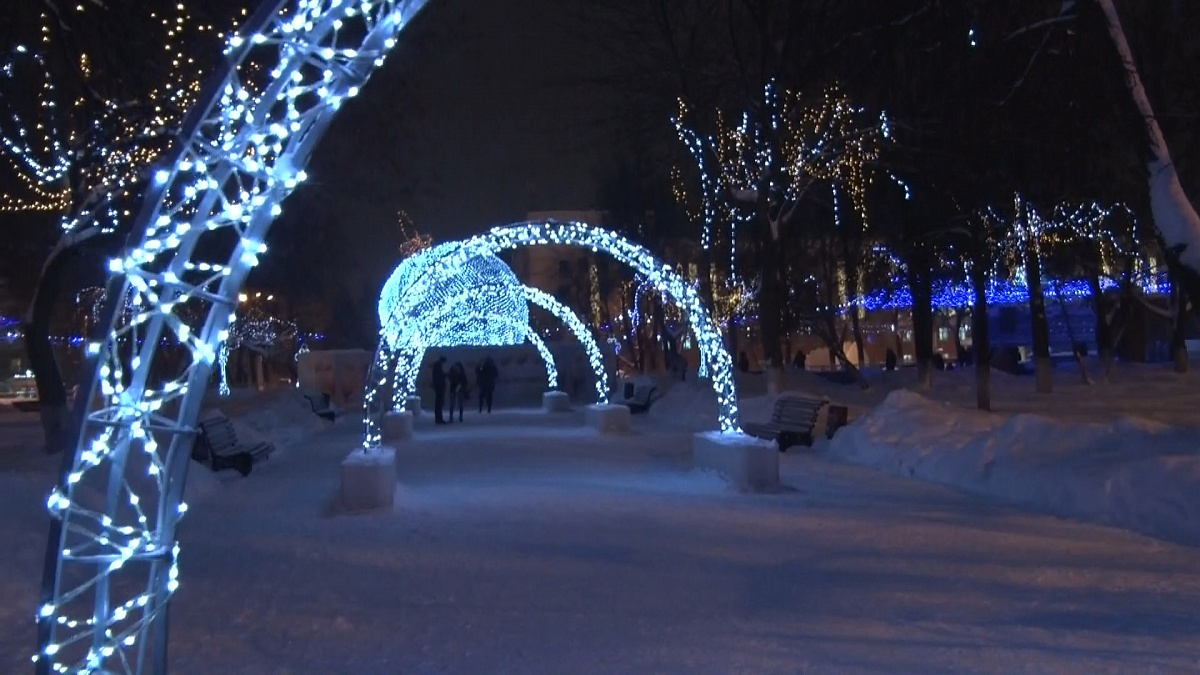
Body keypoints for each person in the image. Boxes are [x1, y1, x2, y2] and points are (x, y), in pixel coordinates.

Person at [431, 355, 448, 424]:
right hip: (439, 387)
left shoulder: (436, 366)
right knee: (439, 403)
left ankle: (438, 418)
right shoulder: (438, 367)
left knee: (438, 403)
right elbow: (439, 377)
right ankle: (439, 419)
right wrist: (445, 375)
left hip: (438, 386)